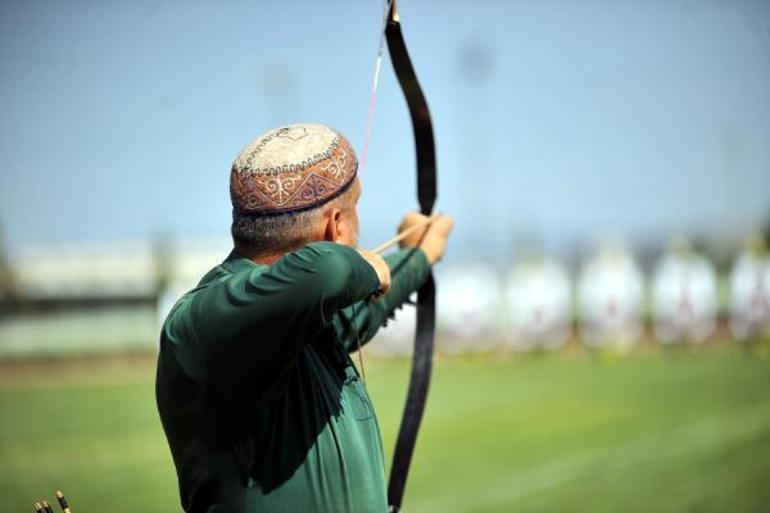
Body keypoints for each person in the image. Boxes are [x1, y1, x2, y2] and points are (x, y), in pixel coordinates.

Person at [155, 123, 453, 513]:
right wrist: (365, 268)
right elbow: (332, 271)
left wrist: (420, 254)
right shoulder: (204, 323)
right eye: (355, 205)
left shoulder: (297, 323)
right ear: (336, 225)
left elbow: (362, 306)